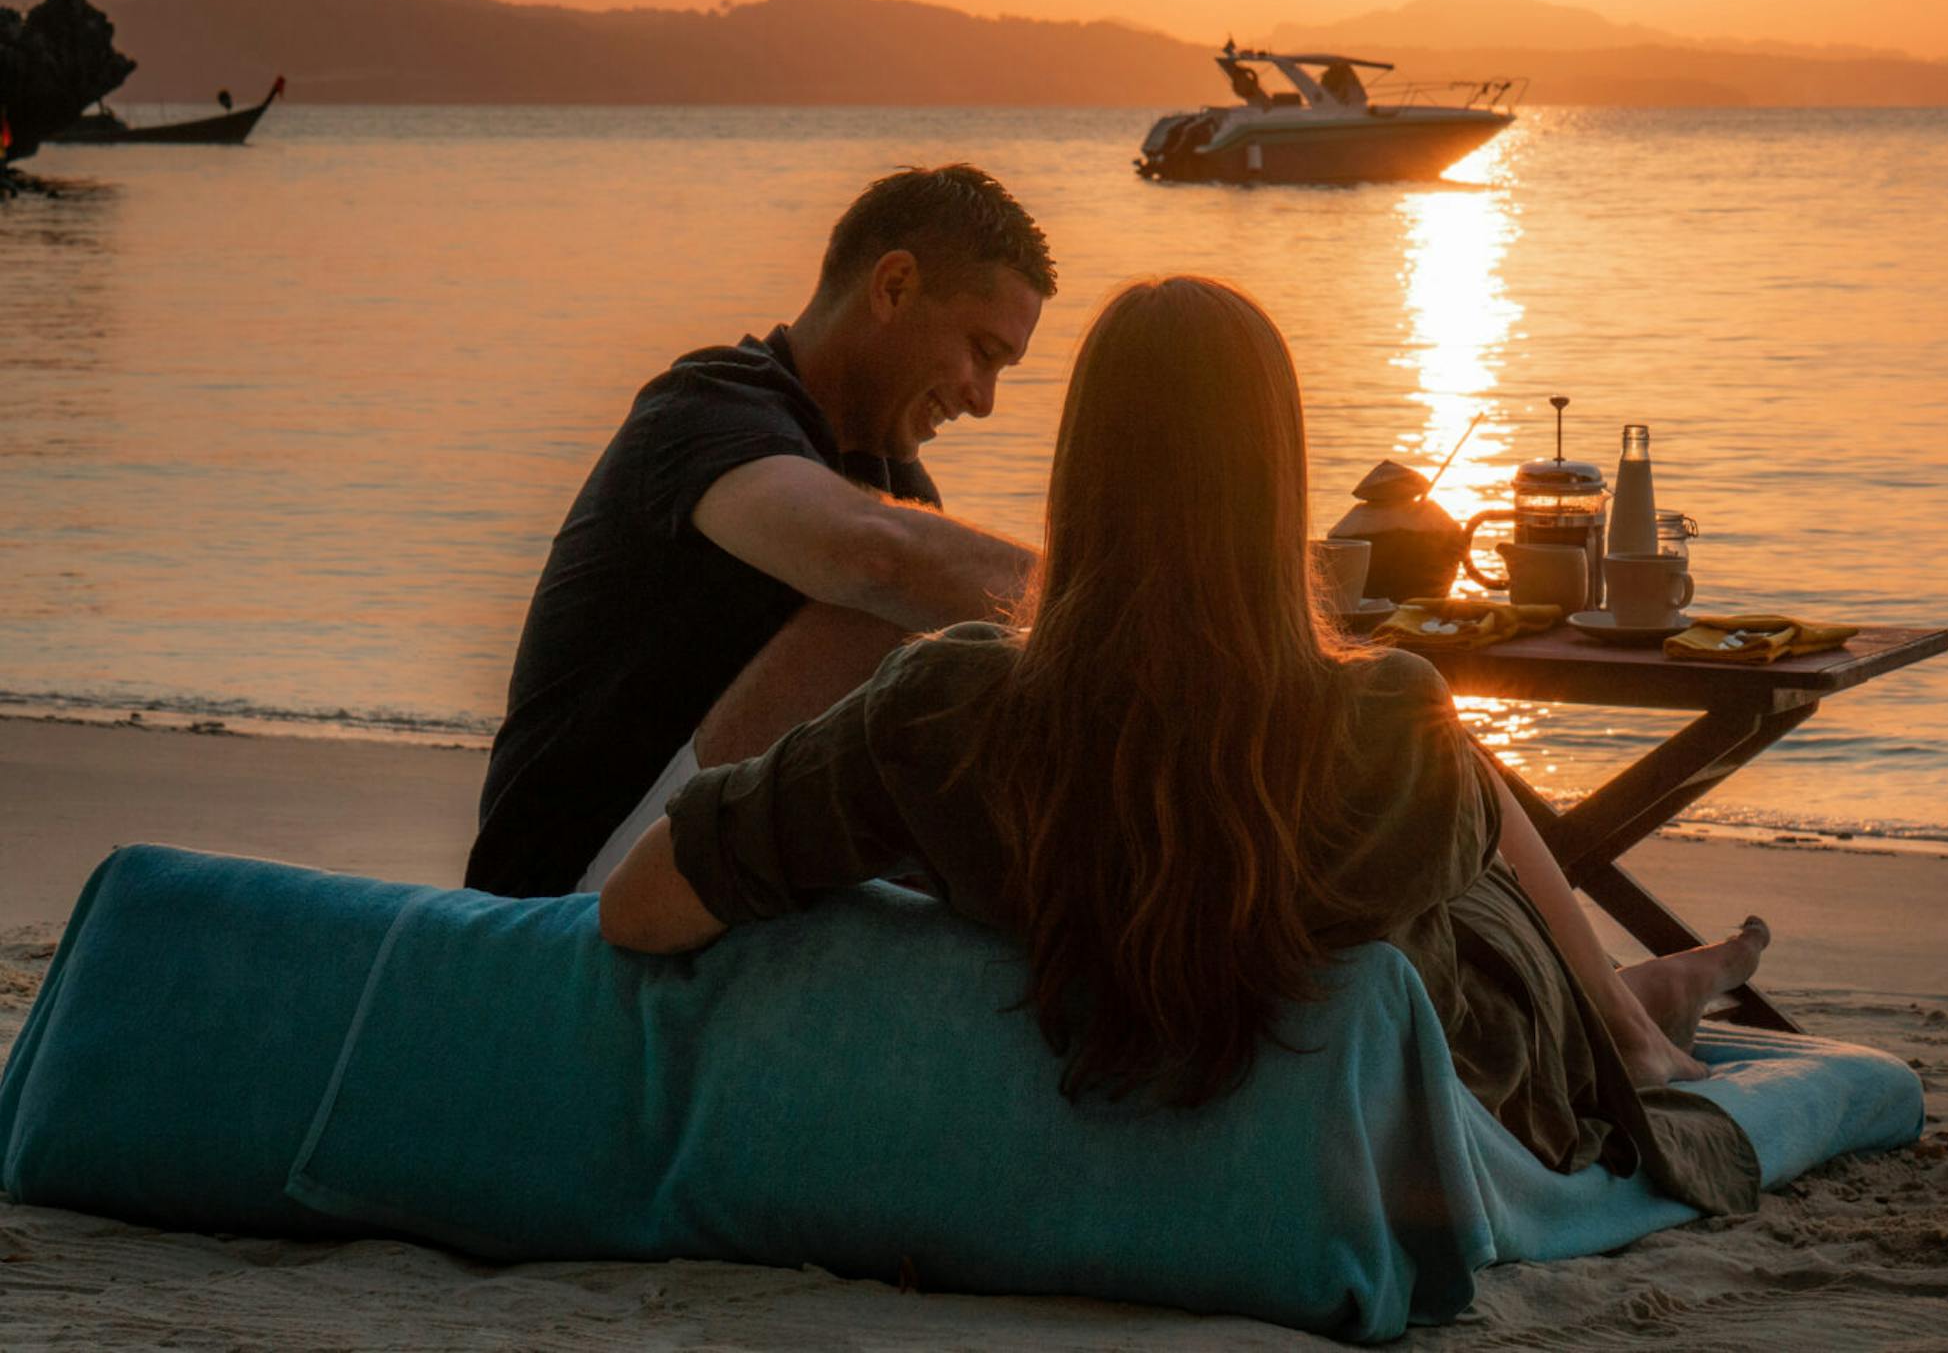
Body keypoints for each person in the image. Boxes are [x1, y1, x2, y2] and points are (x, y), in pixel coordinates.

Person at [597, 276, 1772, 1213]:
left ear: (1081, 476)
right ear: (1279, 482)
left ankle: (1638, 1004)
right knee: (1449, 783)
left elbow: (638, 910)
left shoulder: (938, 712)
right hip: (1452, 1081)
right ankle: (1636, 1023)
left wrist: (891, 903)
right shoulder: (1386, 726)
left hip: (1096, 908)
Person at [464, 163, 1056, 898]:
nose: (984, 399)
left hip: (704, 856)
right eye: (983, 352)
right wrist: (1119, 600)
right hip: (567, 896)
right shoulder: (705, 408)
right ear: (894, 286)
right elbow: (870, 556)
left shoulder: (898, 487)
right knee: (898, 617)